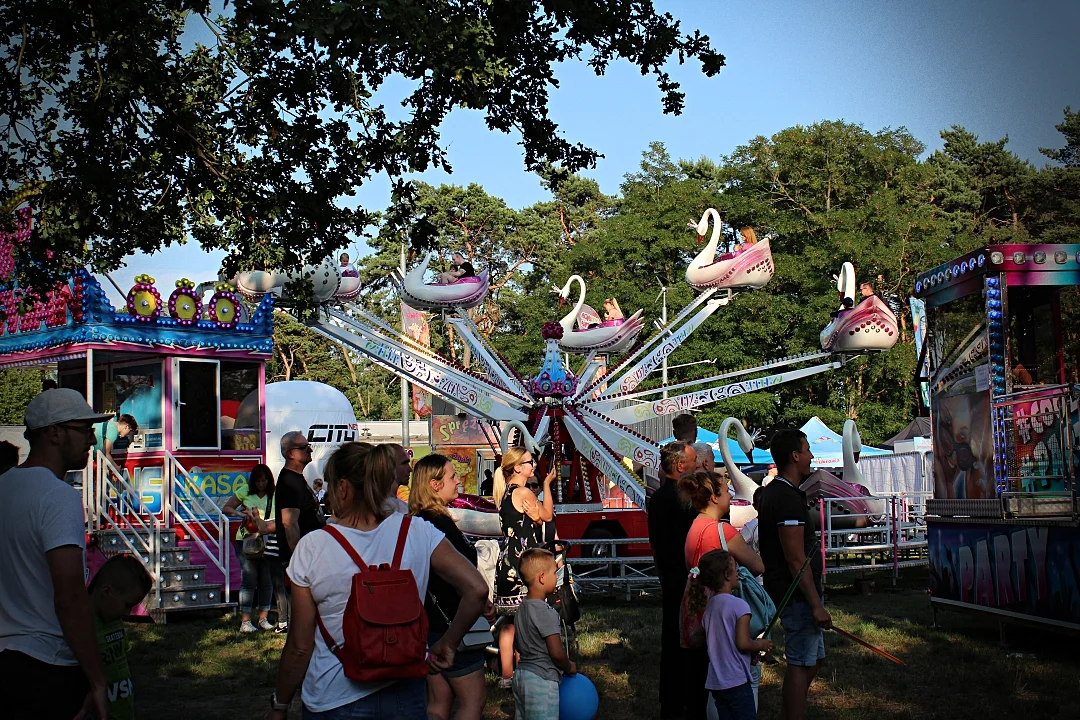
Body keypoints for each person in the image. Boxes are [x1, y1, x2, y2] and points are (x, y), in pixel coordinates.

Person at [266, 443, 488, 720]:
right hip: (404, 691)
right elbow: (477, 589)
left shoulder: (313, 546)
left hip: (333, 695)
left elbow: (300, 646)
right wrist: (448, 643)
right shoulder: (417, 530)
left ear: (343, 488)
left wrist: (280, 705)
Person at [0, 388, 114, 720]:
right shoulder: (57, 495)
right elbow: (70, 597)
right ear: (54, 433)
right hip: (46, 666)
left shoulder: (4, 486)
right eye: (84, 429)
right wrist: (97, 680)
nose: (92, 440)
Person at [409, 454, 495, 720]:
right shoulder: (439, 523)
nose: (458, 481)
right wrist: (481, 601)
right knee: (472, 700)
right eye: (452, 476)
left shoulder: (416, 522)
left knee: (439, 700)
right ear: (434, 484)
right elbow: (460, 578)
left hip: (427, 623)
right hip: (453, 624)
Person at [678, 470, 764, 719]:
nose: (730, 495)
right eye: (726, 490)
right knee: (729, 674)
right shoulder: (721, 531)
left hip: (695, 608)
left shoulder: (694, 527)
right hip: (722, 612)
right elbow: (758, 565)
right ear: (714, 498)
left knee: (708, 674)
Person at [759, 429, 831, 720]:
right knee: (801, 664)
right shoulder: (784, 496)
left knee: (813, 661)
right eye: (808, 449)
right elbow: (794, 557)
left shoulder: (783, 492)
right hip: (795, 593)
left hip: (799, 591)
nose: (812, 456)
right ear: (795, 456)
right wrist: (815, 603)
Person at [494, 446, 556, 689]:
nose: (533, 466)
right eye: (530, 462)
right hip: (523, 563)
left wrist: (537, 516)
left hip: (505, 562)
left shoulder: (505, 493)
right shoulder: (524, 492)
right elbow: (548, 516)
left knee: (508, 624)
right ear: (517, 467)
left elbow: (538, 517)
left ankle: (506, 675)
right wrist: (548, 485)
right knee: (526, 623)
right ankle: (524, 673)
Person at [688, 549, 773, 720]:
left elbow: (698, 639)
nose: (739, 572)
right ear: (727, 574)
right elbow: (742, 643)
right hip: (737, 682)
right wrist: (759, 644)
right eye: (736, 568)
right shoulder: (740, 606)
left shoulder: (710, 606)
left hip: (717, 683)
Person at [647, 441, 697, 719]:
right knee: (683, 642)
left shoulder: (659, 498)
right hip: (683, 578)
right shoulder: (681, 499)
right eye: (691, 461)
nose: (695, 465)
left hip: (669, 576)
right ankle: (681, 698)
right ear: (680, 466)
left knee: (672, 640)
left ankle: (671, 700)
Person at [512, 548, 576, 720]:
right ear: (541, 578)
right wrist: (569, 666)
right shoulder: (546, 612)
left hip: (521, 676)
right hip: (541, 679)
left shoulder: (521, 609)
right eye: (554, 573)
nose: (557, 577)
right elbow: (556, 652)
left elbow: (517, 644)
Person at [88, 554, 153, 720]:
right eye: (127, 605)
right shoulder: (82, 627)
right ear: (106, 592)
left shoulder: (114, 620)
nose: (128, 613)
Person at [271, 431, 324, 633]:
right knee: (303, 613)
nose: (309, 449)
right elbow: (288, 523)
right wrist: (298, 558)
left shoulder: (297, 479)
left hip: (309, 555)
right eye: (304, 447)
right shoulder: (289, 481)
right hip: (302, 558)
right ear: (291, 453)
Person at [222, 464, 277, 632]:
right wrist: (240, 514)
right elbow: (227, 507)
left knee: (267, 580)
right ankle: (245, 621)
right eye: (258, 481)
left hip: (268, 539)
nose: (261, 484)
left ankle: (263, 618)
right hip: (246, 540)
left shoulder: (275, 494)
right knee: (249, 580)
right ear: (253, 481)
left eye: (264, 481)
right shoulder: (244, 490)